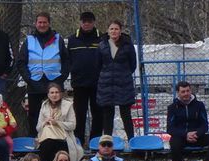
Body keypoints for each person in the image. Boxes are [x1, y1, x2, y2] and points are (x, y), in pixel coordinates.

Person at [16, 12, 67, 136]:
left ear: (49, 23)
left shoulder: (57, 39)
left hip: (54, 83)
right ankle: (35, 140)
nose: (42, 25)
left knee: (57, 114)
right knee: (35, 115)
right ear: (35, 23)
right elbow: (21, 62)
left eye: (44, 22)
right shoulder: (29, 40)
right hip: (35, 83)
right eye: (40, 22)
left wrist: (61, 80)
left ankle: (57, 138)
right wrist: (29, 79)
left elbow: (66, 60)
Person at [166, 81, 209, 161]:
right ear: (178, 93)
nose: (186, 94)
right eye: (183, 92)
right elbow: (170, 129)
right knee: (173, 142)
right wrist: (186, 134)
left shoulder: (199, 105)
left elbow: (204, 125)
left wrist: (197, 133)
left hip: (197, 137)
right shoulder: (172, 107)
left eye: (187, 91)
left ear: (190, 91)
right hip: (182, 138)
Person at [66, 12, 103, 144]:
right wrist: (74, 70)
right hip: (79, 83)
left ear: (94, 22)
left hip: (98, 83)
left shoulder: (102, 38)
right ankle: (78, 140)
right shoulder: (72, 39)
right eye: (84, 21)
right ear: (80, 22)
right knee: (79, 114)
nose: (86, 24)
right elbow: (68, 59)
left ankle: (95, 141)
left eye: (89, 21)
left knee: (98, 113)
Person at [97, 21, 137, 140]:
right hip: (106, 84)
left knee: (126, 114)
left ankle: (131, 140)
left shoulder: (127, 45)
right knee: (107, 115)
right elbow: (98, 64)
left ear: (120, 31)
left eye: (116, 29)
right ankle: (108, 142)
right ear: (108, 31)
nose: (114, 31)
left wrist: (122, 74)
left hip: (124, 84)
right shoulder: (102, 45)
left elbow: (133, 64)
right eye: (111, 29)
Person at [36, 83, 83, 161]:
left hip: (63, 137)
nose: (54, 95)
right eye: (52, 92)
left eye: (57, 92)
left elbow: (73, 125)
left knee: (50, 145)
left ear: (61, 93)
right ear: (48, 94)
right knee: (47, 143)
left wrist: (57, 123)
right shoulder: (44, 105)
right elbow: (38, 127)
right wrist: (45, 122)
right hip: (46, 139)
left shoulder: (68, 105)